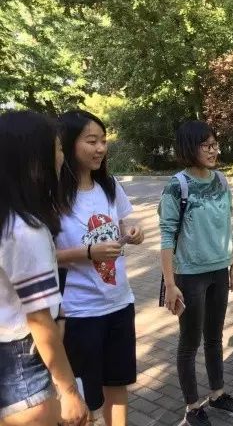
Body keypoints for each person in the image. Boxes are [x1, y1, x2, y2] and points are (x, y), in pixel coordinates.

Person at [55, 110, 144, 426]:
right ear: (68, 143)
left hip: (120, 303)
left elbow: (126, 224)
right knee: (85, 400)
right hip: (80, 313)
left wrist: (133, 232)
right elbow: (43, 256)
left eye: (103, 141)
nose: (100, 148)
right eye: (91, 141)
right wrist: (88, 252)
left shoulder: (109, 185)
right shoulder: (52, 195)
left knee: (117, 386)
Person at [0, 110, 88, 426]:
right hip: (22, 364)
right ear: (36, 161)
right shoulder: (25, 231)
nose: (63, 157)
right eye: (58, 148)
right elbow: (38, 318)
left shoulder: (7, 221)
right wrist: (69, 391)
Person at [158, 121, 233, 426]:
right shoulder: (177, 186)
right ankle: (192, 406)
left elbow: (226, 225)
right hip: (189, 276)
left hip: (218, 271)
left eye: (215, 144)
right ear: (189, 148)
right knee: (189, 342)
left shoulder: (221, 181)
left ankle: (218, 394)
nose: (214, 151)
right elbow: (166, 237)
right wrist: (170, 284)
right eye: (207, 145)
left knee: (214, 337)